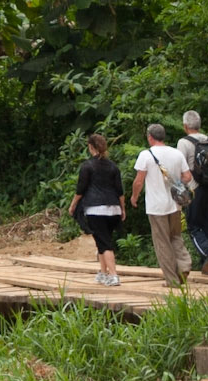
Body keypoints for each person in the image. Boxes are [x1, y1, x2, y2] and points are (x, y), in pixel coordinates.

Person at [131, 121, 194, 287]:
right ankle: (184, 265)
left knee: (162, 242)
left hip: (156, 206)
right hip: (175, 205)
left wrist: (134, 197)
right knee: (176, 237)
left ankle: (172, 281)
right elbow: (188, 176)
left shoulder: (146, 155)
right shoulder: (176, 153)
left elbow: (139, 181)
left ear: (150, 137)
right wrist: (177, 184)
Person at [68, 132, 126, 284]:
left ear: (90, 147)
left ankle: (113, 275)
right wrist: (123, 209)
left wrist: (73, 205)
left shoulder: (87, 166)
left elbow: (80, 189)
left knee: (104, 242)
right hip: (113, 209)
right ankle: (103, 272)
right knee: (102, 240)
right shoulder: (113, 166)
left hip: (95, 209)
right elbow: (120, 190)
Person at [177, 110, 208, 278]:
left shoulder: (183, 143)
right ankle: (207, 266)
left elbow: (179, 168)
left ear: (185, 126)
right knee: (207, 227)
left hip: (194, 190)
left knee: (193, 227)